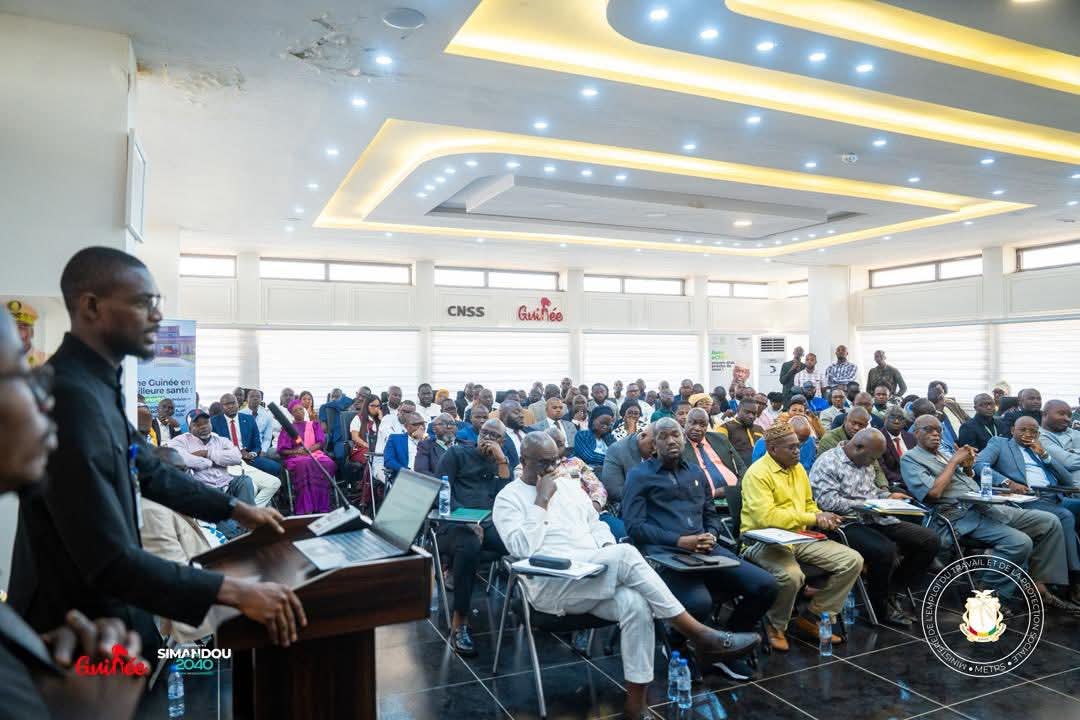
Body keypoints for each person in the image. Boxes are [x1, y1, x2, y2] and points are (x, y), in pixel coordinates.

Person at [10, 247, 305, 661]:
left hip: (108, 617)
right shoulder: (70, 394)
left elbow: (148, 468)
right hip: (71, 636)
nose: (157, 315)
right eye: (143, 302)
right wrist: (236, 592)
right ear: (91, 306)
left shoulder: (98, 382)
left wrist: (238, 509)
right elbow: (108, 559)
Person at [495, 432, 757, 717]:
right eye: (542, 463)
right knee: (626, 554)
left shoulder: (569, 487)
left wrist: (606, 551)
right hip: (551, 583)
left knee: (636, 603)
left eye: (554, 462)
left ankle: (636, 705)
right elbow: (521, 549)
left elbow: (596, 525)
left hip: (593, 572)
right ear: (524, 461)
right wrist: (542, 500)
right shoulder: (508, 498)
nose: (550, 469)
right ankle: (700, 635)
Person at [622, 419, 772, 680]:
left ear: (683, 439)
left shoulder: (695, 472)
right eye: (664, 437)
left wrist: (712, 534)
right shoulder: (640, 476)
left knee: (766, 585)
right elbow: (634, 527)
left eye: (676, 435)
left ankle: (726, 645)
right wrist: (680, 541)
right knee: (699, 603)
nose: (671, 441)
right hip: (665, 555)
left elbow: (710, 515)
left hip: (705, 550)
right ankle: (676, 645)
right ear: (654, 445)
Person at [901, 416, 1075, 613]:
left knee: (1049, 521)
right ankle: (988, 593)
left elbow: (964, 480)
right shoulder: (911, 458)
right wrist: (954, 461)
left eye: (939, 430)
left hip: (985, 506)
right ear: (916, 432)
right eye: (929, 429)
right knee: (1019, 542)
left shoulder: (943, 453)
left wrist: (967, 466)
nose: (936, 434)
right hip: (958, 516)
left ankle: (1039, 586)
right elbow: (933, 494)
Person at [740, 421, 864, 651]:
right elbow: (766, 518)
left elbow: (808, 503)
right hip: (763, 541)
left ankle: (813, 616)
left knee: (852, 560)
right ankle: (775, 625)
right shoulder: (757, 474)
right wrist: (813, 517)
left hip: (798, 536)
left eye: (799, 445)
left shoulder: (797, 469)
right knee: (791, 575)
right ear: (772, 449)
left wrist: (821, 516)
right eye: (792, 447)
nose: (798, 451)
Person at [809, 429, 939, 627]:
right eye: (872, 458)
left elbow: (871, 491)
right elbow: (826, 502)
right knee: (884, 550)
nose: (873, 462)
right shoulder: (828, 462)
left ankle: (892, 590)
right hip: (845, 522)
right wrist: (864, 505)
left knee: (929, 540)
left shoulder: (866, 459)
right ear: (858, 447)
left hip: (875, 517)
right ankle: (881, 607)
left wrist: (887, 497)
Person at [974, 415, 1080, 602]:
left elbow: (1067, 481)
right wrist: (1007, 482)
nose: (1028, 434)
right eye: (1023, 429)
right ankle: (1074, 579)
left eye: (1033, 431)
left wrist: (1045, 456)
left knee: (1072, 510)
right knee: (1065, 516)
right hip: (1026, 498)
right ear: (1012, 430)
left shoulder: (1038, 449)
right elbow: (979, 464)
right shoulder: (1000, 444)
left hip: (1053, 496)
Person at [435, 418, 512, 656]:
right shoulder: (456, 454)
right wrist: (468, 521)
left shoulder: (500, 460)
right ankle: (460, 621)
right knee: (468, 547)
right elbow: (440, 490)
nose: (487, 438)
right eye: (484, 432)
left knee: (516, 542)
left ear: (502, 441)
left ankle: (536, 604)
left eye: (494, 436)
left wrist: (501, 461)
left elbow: (506, 499)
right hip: (454, 524)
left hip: (488, 524)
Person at [166, 411, 253, 538]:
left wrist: (207, 453)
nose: (203, 426)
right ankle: (238, 533)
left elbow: (236, 457)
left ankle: (248, 520)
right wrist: (213, 461)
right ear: (190, 428)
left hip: (226, 484)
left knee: (245, 481)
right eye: (197, 424)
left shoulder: (220, 440)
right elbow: (184, 460)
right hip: (205, 491)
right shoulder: (180, 441)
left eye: (206, 422)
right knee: (233, 532)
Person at [212, 392, 281, 507]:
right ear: (222, 406)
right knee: (252, 486)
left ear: (238, 404)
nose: (231, 406)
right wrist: (237, 454)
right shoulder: (214, 422)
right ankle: (252, 509)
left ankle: (255, 508)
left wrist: (252, 454)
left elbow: (257, 444)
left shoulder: (248, 419)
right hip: (229, 461)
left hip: (249, 458)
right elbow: (214, 447)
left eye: (233, 403)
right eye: (227, 404)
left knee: (275, 468)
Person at [278, 398, 337, 513]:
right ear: (291, 413)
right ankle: (306, 507)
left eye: (301, 409)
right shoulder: (288, 428)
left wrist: (309, 450)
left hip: (314, 453)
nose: (299, 412)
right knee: (305, 462)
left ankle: (322, 505)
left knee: (328, 463)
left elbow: (320, 442)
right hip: (296, 457)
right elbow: (282, 450)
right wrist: (297, 452)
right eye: (295, 411)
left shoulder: (313, 424)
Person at [816, 407, 888, 489]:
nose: (856, 428)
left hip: (865, 487)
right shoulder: (829, 439)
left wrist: (884, 487)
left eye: (861, 425)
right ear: (845, 421)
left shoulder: (866, 440)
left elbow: (876, 467)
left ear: (866, 426)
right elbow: (834, 470)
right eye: (853, 423)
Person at [682, 408, 745, 498]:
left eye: (702, 425)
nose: (697, 428)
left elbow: (741, 467)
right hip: (705, 498)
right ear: (685, 423)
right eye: (693, 423)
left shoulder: (720, 439)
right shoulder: (680, 448)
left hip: (736, 492)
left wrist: (738, 487)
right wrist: (712, 494)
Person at [600, 424, 654, 506]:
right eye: (652, 445)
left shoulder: (663, 449)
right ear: (643, 436)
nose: (656, 450)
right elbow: (615, 491)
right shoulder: (617, 450)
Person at [751, 414, 817, 472]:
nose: (801, 444)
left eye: (804, 440)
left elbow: (809, 466)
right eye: (799, 440)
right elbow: (757, 469)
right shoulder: (764, 443)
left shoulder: (809, 441)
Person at [1042, 399, 1080, 488]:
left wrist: (1071, 452)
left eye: (1069, 416)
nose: (1067, 419)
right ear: (1044, 414)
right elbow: (1069, 462)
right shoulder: (1040, 436)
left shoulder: (1074, 432)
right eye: (1061, 414)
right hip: (1073, 489)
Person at [716, 399, 765, 467]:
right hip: (737, 469)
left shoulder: (759, 429)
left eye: (754, 413)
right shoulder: (725, 427)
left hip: (760, 468)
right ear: (738, 410)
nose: (751, 416)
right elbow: (720, 453)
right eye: (747, 412)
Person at [880, 406, 916, 489]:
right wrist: (906, 481)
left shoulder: (911, 438)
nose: (896, 421)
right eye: (892, 417)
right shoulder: (878, 438)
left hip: (916, 479)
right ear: (885, 419)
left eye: (900, 418)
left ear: (905, 422)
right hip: (896, 484)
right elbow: (882, 469)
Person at [383, 411, 427, 480]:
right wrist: (406, 471)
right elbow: (388, 461)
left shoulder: (429, 440)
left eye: (422, 424)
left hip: (426, 478)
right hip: (405, 477)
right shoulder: (395, 439)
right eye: (415, 424)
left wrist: (424, 439)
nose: (421, 427)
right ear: (406, 426)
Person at [574, 405, 616, 473]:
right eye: (602, 423)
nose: (605, 426)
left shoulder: (610, 438)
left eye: (608, 424)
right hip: (587, 472)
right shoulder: (582, 435)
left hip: (610, 471)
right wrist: (613, 460)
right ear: (593, 420)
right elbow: (589, 456)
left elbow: (618, 454)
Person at [239, 388, 275, 455]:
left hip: (260, 449)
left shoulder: (267, 415)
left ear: (261, 399)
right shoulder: (239, 414)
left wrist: (263, 451)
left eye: (258, 396)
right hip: (243, 449)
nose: (255, 398)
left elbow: (267, 438)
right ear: (246, 399)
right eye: (252, 396)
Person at [349, 394, 382, 463]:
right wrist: (369, 446)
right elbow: (355, 438)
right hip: (362, 450)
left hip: (378, 449)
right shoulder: (358, 418)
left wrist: (382, 420)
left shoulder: (380, 420)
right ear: (366, 406)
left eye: (378, 406)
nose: (376, 408)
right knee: (373, 458)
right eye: (372, 405)